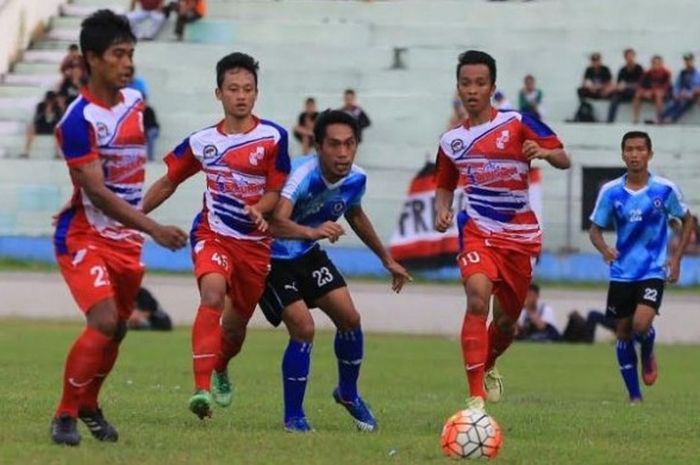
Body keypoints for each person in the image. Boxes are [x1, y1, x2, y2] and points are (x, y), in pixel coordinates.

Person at [49, 10, 188, 446]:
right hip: (83, 234)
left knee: (120, 327)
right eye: (118, 54)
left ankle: (89, 403)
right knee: (105, 319)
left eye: (131, 54)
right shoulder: (77, 121)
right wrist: (154, 228)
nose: (128, 63)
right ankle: (64, 416)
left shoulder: (134, 103)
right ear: (92, 59)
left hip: (124, 241)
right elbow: (99, 194)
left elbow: (128, 183)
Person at [142, 52, 290, 420]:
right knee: (211, 293)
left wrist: (262, 207)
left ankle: (221, 367)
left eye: (248, 89)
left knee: (235, 330)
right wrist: (133, 216)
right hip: (214, 234)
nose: (241, 96)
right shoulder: (202, 142)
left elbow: (275, 191)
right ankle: (201, 390)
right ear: (218, 94)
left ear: (256, 94)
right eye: (233, 89)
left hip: (255, 249)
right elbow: (168, 182)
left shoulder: (273, 137)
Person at [258, 110, 412, 433]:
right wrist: (313, 232)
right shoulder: (301, 174)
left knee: (350, 319)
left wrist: (386, 259)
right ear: (318, 146)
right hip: (272, 257)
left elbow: (355, 214)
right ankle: (294, 418)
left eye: (349, 144)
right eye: (334, 145)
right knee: (304, 328)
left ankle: (347, 393)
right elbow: (275, 222)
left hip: (308, 254)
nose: (342, 153)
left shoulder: (356, 178)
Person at [434, 50, 570, 410]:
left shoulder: (517, 122)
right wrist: (442, 209)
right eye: (466, 83)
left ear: (493, 87)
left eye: (480, 83)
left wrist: (542, 151)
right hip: (477, 228)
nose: (472, 90)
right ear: (458, 88)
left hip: (520, 237)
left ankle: (490, 362)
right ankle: (475, 396)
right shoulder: (451, 141)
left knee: (507, 321)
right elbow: (444, 184)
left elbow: (564, 157)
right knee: (477, 297)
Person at [589, 130, 693, 403]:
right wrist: (604, 249)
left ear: (650, 154)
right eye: (629, 150)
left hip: (653, 270)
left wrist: (676, 257)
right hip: (622, 272)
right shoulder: (611, 192)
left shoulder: (664, 189)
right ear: (623, 154)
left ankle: (647, 349)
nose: (634, 155)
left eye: (640, 149)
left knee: (640, 324)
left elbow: (688, 220)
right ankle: (635, 398)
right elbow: (595, 230)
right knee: (622, 331)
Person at [658, 53, 700, 124]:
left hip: (691, 96)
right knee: (673, 102)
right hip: (682, 95)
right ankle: (661, 117)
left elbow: (696, 88)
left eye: (689, 60)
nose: (687, 62)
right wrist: (676, 94)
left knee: (684, 103)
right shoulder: (682, 73)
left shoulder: (696, 74)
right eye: (686, 60)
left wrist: (687, 94)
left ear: (692, 61)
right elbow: (677, 85)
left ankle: (672, 118)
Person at [20, 90, 63, 159]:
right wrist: (45, 112)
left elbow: (59, 121)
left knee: (59, 129)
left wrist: (51, 114)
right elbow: (36, 119)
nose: (49, 102)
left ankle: (57, 153)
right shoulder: (40, 106)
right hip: (41, 126)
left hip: (52, 127)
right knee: (30, 128)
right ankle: (26, 152)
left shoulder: (58, 108)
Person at [607, 48, 644, 123]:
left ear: (634, 56)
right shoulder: (622, 69)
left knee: (637, 95)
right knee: (614, 98)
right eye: (628, 56)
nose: (629, 58)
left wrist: (627, 85)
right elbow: (619, 83)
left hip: (635, 91)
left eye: (631, 56)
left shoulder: (639, 68)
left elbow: (641, 83)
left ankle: (636, 119)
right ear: (625, 57)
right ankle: (610, 120)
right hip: (624, 92)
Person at [632, 55, 671, 124]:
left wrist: (652, 91)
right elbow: (640, 85)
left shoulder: (666, 73)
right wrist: (645, 91)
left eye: (658, 63)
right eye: (654, 63)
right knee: (638, 94)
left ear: (661, 63)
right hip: (650, 92)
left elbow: (666, 87)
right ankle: (636, 118)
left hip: (662, 93)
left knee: (658, 94)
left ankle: (659, 117)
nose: (656, 65)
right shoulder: (648, 73)